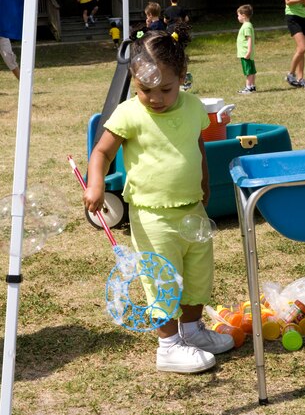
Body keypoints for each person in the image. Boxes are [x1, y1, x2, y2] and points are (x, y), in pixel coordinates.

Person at [83, 24, 234, 374]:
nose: (155, 97)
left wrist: (205, 183)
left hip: (192, 208)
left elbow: (197, 147)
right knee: (161, 278)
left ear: (182, 76)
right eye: (145, 89)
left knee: (198, 275)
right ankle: (168, 346)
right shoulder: (129, 113)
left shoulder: (194, 107)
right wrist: (96, 186)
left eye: (165, 88)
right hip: (152, 216)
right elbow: (101, 153)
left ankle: (193, 331)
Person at [236, 4, 256, 94]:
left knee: (248, 71)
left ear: (243, 16)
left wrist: (248, 51)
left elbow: (249, 39)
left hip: (245, 53)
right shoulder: (248, 25)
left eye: (238, 15)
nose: (238, 17)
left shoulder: (246, 26)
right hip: (246, 53)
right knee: (251, 70)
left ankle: (248, 87)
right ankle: (252, 86)